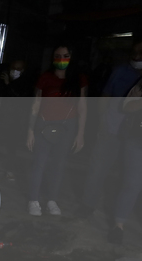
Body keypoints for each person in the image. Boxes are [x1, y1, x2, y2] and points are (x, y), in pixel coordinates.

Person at [77, 38, 142, 219]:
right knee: (97, 169)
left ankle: (122, 214)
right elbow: (105, 96)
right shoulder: (120, 71)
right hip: (112, 129)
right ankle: (87, 205)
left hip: (135, 136)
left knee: (131, 178)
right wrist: (102, 121)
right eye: (134, 52)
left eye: (141, 53)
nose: (137, 56)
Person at [26, 43, 87, 216]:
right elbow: (35, 105)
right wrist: (30, 131)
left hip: (68, 126)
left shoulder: (78, 79)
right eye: (58, 56)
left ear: (71, 57)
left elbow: (82, 107)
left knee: (59, 165)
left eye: (65, 56)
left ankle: (52, 200)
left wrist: (81, 134)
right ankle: (33, 200)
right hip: (44, 125)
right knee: (40, 163)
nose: (61, 60)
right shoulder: (45, 78)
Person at [107, 80, 142, 244]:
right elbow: (126, 106)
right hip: (136, 140)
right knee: (131, 184)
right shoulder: (139, 85)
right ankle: (118, 227)